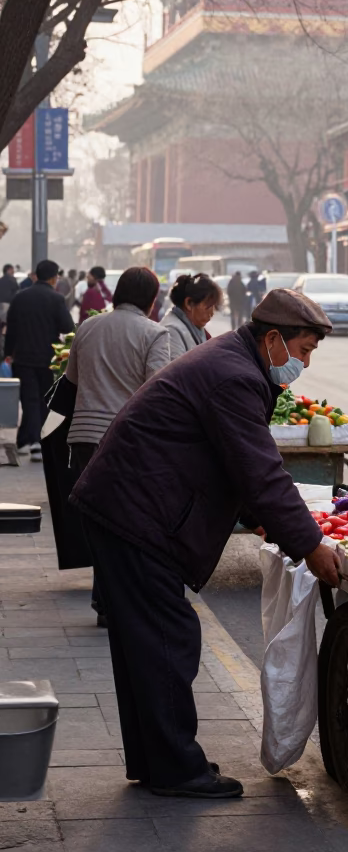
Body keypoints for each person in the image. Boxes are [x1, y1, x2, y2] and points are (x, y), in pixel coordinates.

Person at [68, 288, 339, 799]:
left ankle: (158, 761)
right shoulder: (235, 377)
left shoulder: (233, 363)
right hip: (137, 513)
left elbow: (228, 464)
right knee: (168, 638)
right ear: (275, 339)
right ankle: (177, 770)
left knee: (142, 646)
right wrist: (310, 546)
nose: (303, 363)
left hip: (126, 505)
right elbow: (261, 472)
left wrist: (260, 518)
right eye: (303, 351)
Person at [64, 267, 171, 625]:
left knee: (99, 520)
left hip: (83, 438)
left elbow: (73, 380)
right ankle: (113, 601)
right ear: (152, 300)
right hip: (125, 440)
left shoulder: (87, 327)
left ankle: (106, 600)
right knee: (125, 523)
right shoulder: (155, 333)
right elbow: (156, 391)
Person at [2, 258, 74, 461]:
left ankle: (25, 441)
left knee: (27, 399)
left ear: (36, 276)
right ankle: (36, 443)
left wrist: (8, 353)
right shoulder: (56, 299)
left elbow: (11, 328)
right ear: (53, 278)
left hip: (22, 357)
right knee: (43, 400)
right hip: (46, 358)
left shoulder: (19, 297)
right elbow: (67, 327)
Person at [161, 272, 222, 359]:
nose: (211, 313)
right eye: (208, 307)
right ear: (189, 303)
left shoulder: (197, 329)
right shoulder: (171, 331)